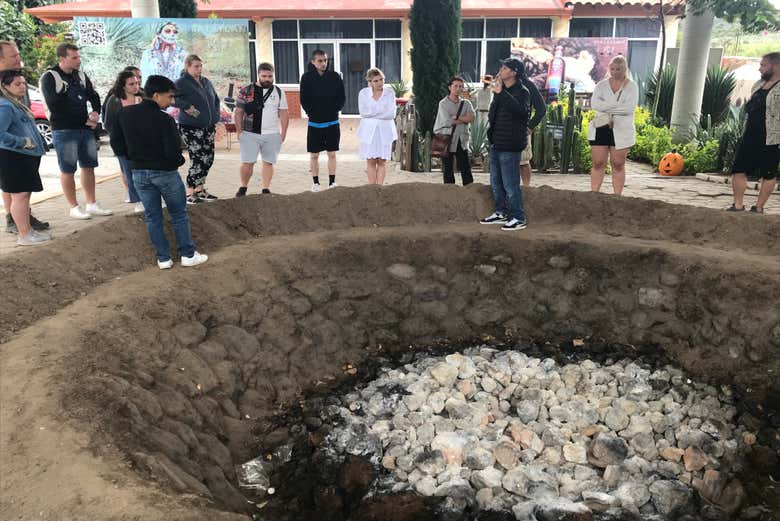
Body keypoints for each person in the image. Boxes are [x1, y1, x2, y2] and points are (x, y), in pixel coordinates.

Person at [110, 74, 207, 269]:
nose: (171, 102)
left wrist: (133, 159)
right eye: (169, 97)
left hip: (139, 173)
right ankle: (188, 255)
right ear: (156, 95)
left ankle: (163, 259)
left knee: (153, 216)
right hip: (165, 173)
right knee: (178, 214)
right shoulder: (165, 119)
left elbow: (116, 144)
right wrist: (178, 161)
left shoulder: (125, 114)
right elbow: (173, 152)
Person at [40, 42, 112, 219]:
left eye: (79, 56)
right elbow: (54, 105)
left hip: (85, 128)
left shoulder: (80, 75)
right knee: (68, 169)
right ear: (62, 58)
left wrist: (95, 112)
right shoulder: (50, 77)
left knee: (89, 166)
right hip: (64, 130)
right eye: (74, 57)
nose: (78, 60)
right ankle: (74, 207)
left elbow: (93, 95)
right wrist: (84, 118)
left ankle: (91, 203)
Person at [0, 40, 49, 234]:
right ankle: (14, 220)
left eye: (18, 54)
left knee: (22, 189)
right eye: (13, 56)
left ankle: (23, 217)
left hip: (24, 148)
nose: (18, 58)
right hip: (9, 149)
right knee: (13, 187)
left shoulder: (15, 79)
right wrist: (20, 142)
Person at [480, 58, 530, 231]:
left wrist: (501, 93)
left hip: (510, 144)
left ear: (514, 72)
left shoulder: (522, 92)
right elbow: (493, 114)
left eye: (504, 68)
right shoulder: (500, 91)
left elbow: (521, 112)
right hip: (497, 142)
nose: (500, 70)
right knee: (496, 182)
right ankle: (501, 212)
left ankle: (518, 217)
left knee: (510, 184)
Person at [727, 52, 780, 214]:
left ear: (776, 66)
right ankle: (737, 205)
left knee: (768, 173)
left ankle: (759, 207)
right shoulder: (758, 84)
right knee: (738, 169)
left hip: (772, 137)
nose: (760, 68)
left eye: (763, 65)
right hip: (751, 134)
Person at [234, 62, 289, 196]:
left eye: (270, 76)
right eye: (264, 76)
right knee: (248, 163)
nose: (267, 79)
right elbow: (238, 112)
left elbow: (284, 113)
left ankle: (265, 188)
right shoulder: (246, 90)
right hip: (249, 133)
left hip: (272, 134)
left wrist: (283, 133)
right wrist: (239, 131)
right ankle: (243, 187)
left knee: (269, 162)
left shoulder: (279, 92)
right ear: (258, 75)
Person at [587, 55, 638, 196]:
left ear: (624, 69)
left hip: (622, 130)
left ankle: (617, 196)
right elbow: (595, 105)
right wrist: (617, 106)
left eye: (618, 69)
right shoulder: (601, 85)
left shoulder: (632, 87)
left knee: (618, 163)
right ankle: (594, 194)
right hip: (601, 127)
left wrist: (606, 106)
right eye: (613, 69)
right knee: (598, 162)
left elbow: (629, 108)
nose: (615, 72)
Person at [174, 55, 220, 204]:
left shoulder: (206, 81)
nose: (199, 69)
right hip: (191, 127)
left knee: (208, 158)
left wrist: (216, 116)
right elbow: (171, 98)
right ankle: (189, 192)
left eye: (201, 66)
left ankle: (200, 189)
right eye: (196, 66)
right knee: (198, 158)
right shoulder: (181, 83)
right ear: (187, 66)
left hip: (208, 126)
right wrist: (186, 106)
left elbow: (216, 99)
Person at [300, 49, 345, 192]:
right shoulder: (306, 78)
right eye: (320, 61)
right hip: (314, 123)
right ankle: (316, 183)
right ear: (313, 62)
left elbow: (341, 97)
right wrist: (312, 113)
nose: (323, 63)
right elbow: (303, 99)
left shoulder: (335, 76)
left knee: (332, 154)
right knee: (314, 155)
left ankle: (332, 182)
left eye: (325, 60)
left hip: (332, 122)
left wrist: (334, 111)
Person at [103, 69, 143, 213]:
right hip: (123, 143)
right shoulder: (114, 100)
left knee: (145, 171)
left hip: (143, 142)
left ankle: (149, 198)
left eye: (137, 83)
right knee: (129, 173)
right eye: (131, 84)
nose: (135, 86)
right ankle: (138, 200)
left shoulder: (143, 97)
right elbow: (108, 123)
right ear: (123, 86)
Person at [357, 68, 397, 185]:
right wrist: (381, 113)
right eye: (375, 81)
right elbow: (363, 113)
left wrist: (372, 114)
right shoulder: (363, 93)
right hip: (368, 132)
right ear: (369, 82)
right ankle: (372, 188)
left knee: (382, 161)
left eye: (381, 79)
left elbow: (391, 114)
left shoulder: (390, 93)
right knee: (370, 161)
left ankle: (379, 188)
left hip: (385, 132)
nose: (379, 83)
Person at [433, 76, 475, 186]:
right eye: (455, 86)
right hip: (448, 138)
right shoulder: (443, 103)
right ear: (449, 87)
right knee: (447, 167)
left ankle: (469, 189)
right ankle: (449, 190)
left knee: (465, 166)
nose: (458, 88)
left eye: (461, 86)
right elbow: (447, 121)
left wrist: (457, 118)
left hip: (462, 139)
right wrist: (463, 119)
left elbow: (471, 118)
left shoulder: (466, 103)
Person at [518, 69, 547, 187]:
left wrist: (530, 126)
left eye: (505, 68)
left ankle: (526, 189)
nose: (501, 71)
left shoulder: (528, 85)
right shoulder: (502, 85)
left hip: (521, 128)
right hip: (503, 129)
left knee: (523, 161)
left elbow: (541, 108)